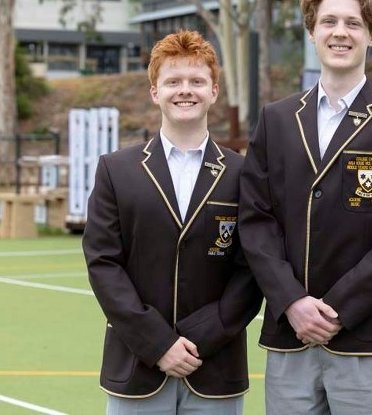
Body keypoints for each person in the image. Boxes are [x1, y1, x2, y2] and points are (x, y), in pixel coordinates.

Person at [239, 0, 372, 415]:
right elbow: (255, 220)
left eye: (353, 23)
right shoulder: (276, 119)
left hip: (370, 336)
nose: (340, 32)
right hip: (290, 334)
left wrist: (339, 308)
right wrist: (292, 302)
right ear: (312, 33)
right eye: (328, 22)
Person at [83, 30, 262, 414]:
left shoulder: (243, 173)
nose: (185, 90)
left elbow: (252, 268)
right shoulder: (116, 170)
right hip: (137, 367)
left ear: (214, 91)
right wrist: (158, 343)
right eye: (173, 81)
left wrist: (201, 338)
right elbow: (103, 263)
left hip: (215, 367)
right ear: (155, 92)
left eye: (197, 81)